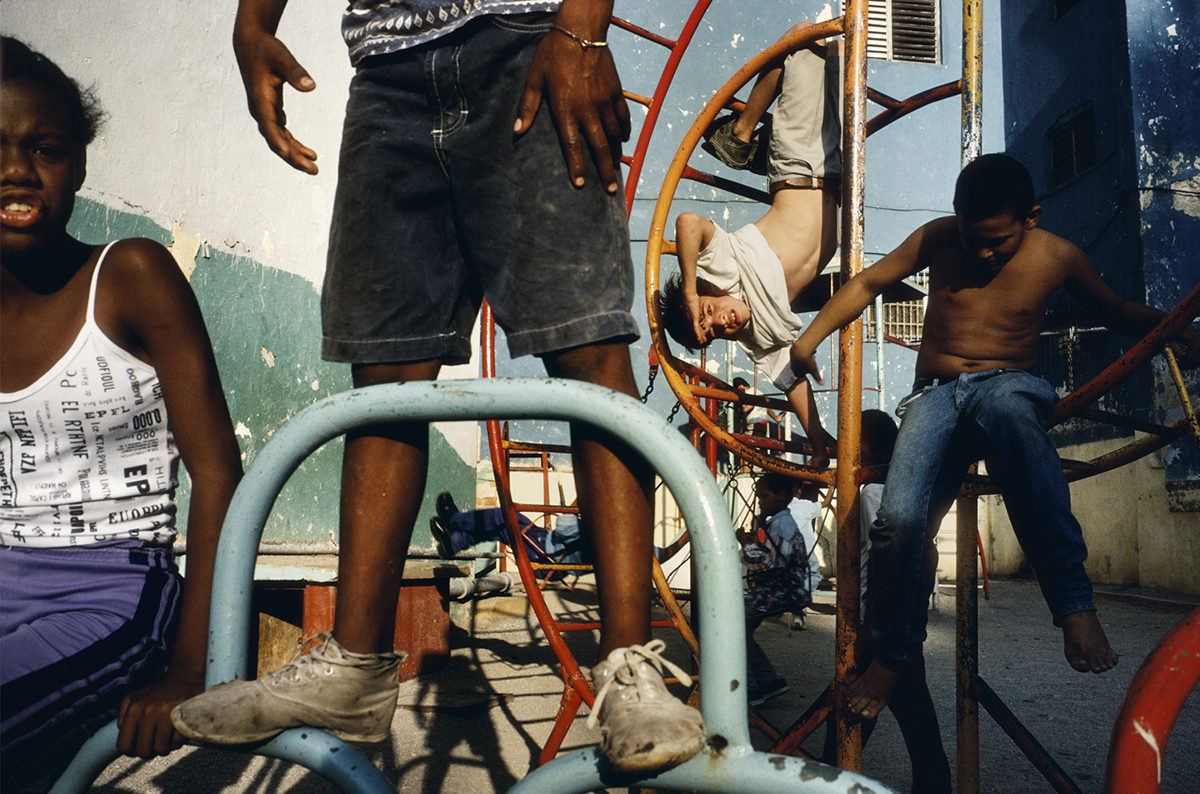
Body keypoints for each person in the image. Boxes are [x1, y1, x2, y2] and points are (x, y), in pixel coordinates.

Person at [170, 0, 706, 775]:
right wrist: (252, 22)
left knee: (587, 346)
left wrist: (582, 26)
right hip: (387, 68)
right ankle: (353, 669)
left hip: (530, 36)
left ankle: (628, 665)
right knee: (385, 373)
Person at [790, 153, 1200, 720]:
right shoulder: (937, 238)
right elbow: (868, 283)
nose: (982, 253)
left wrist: (1178, 331)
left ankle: (1074, 606)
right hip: (935, 394)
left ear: (1030, 218)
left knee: (1019, 432)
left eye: (997, 242)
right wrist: (807, 341)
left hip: (1008, 385)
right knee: (896, 522)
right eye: (971, 237)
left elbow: (1117, 310)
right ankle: (894, 655)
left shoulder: (1058, 257)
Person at [0, 36, 242, 787]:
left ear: (79, 166)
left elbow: (218, 473)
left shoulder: (130, 274)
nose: (16, 169)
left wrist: (189, 664)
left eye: (45, 149)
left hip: (112, 593)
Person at [659, 21, 840, 467]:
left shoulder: (724, 273)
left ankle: (741, 133)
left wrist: (688, 292)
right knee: (836, 55)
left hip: (797, 161)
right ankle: (740, 134)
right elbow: (793, 381)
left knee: (801, 40)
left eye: (708, 313)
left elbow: (689, 222)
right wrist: (818, 446)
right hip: (836, 173)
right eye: (715, 331)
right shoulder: (759, 338)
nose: (721, 322)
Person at [829, 409, 951, 794]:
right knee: (917, 728)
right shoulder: (898, 494)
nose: (846, 452)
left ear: (877, 451)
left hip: (879, 624)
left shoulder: (873, 492)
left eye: (854, 444)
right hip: (895, 625)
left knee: (851, 723)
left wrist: (870, 628)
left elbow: (889, 567)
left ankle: (823, 781)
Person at [741, 473, 814, 706]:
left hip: (782, 591)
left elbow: (770, 562)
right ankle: (769, 681)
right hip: (779, 589)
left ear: (782, 496)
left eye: (765, 496)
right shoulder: (777, 521)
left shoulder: (782, 523)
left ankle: (752, 686)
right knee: (741, 632)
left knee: (731, 625)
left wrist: (746, 546)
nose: (760, 501)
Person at [428, 491, 590, 567]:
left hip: (544, 554)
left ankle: (454, 520)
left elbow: (563, 525)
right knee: (501, 527)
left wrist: (576, 510)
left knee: (504, 517)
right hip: (549, 554)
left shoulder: (594, 533)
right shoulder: (602, 542)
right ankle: (454, 542)